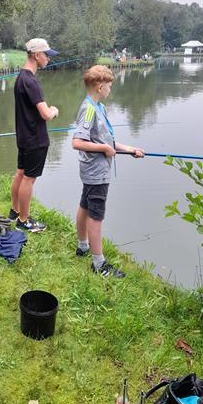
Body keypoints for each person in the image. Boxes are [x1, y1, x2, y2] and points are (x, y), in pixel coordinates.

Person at [72, 65, 144, 277]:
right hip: (96, 172)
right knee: (96, 216)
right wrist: (104, 149)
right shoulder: (89, 109)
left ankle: (83, 246)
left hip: (93, 171)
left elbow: (107, 141)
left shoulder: (98, 107)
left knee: (85, 205)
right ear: (100, 86)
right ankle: (99, 264)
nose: (110, 90)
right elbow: (77, 142)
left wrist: (130, 149)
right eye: (109, 86)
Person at [9, 38, 59, 232]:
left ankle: (14, 211)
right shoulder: (31, 82)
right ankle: (24, 220)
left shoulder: (20, 78)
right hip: (35, 139)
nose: (48, 58)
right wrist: (54, 110)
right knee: (29, 179)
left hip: (23, 137)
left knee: (20, 173)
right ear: (37, 55)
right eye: (47, 55)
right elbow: (45, 114)